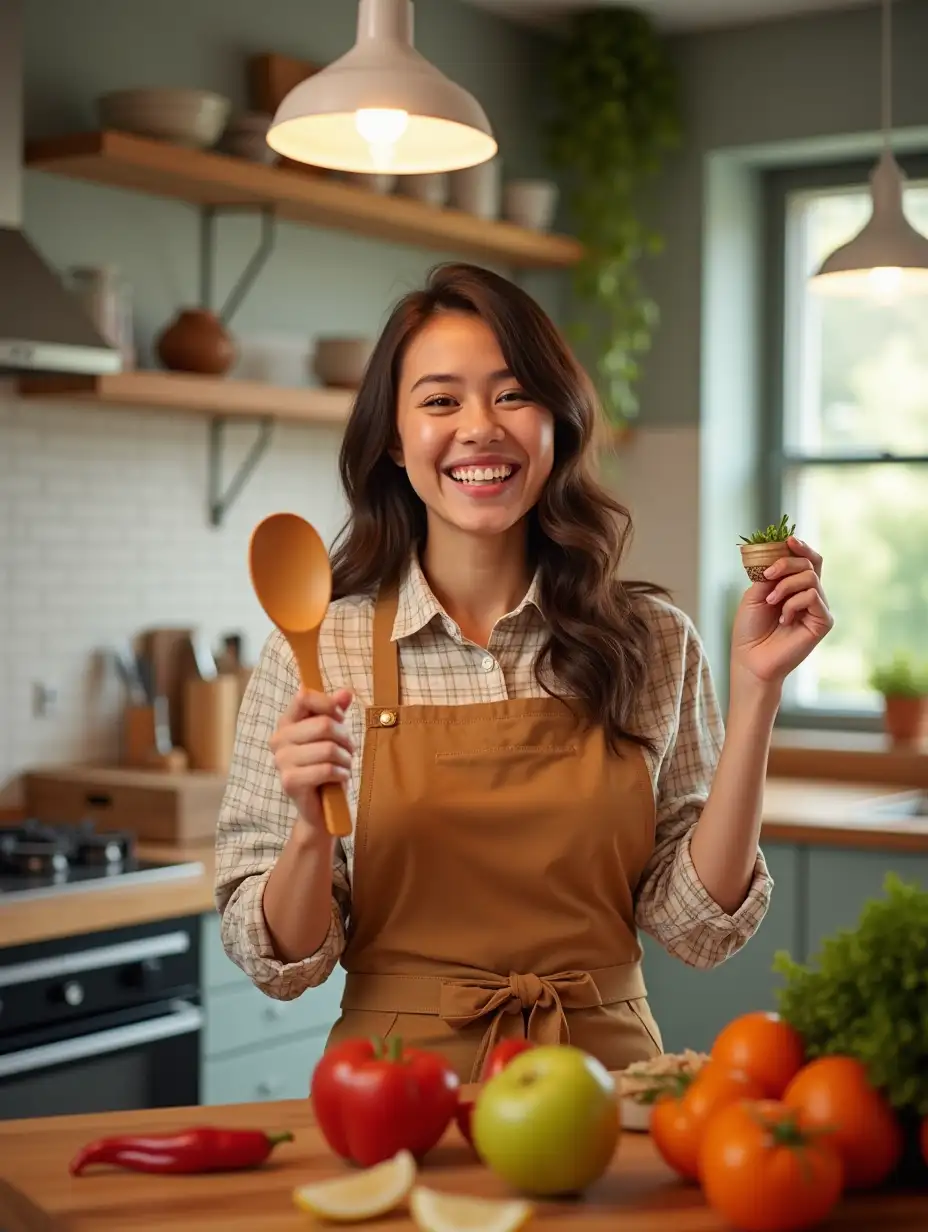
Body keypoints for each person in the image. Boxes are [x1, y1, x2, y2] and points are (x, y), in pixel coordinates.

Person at [215, 262, 833, 1083]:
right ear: (395, 443)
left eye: (512, 395)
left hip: (604, 1084)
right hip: (392, 1091)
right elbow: (283, 963)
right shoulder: (316, 647)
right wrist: (306, 827)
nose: (480, 428)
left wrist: (759, 693)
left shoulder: (650, 639)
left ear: (558, 427)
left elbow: (694, 927)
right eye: (440, 401)